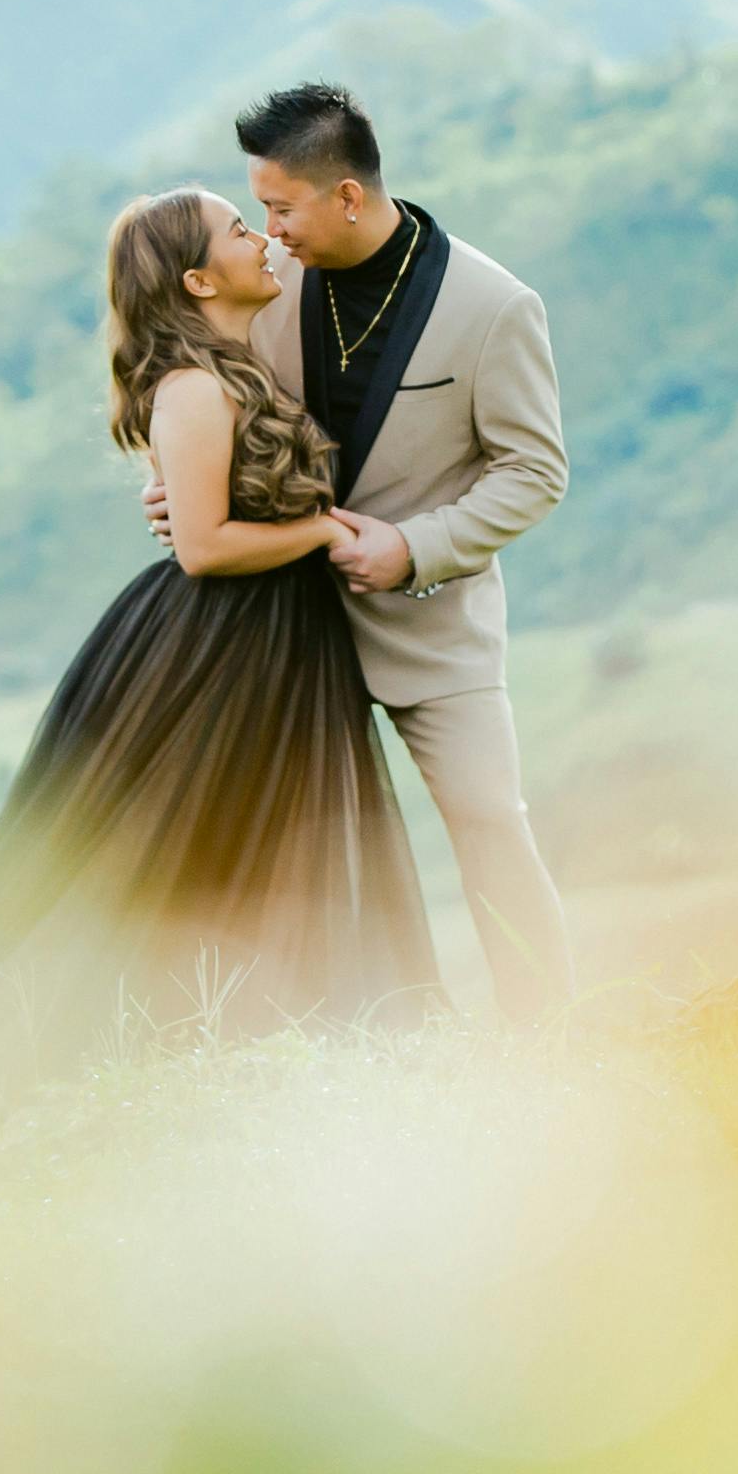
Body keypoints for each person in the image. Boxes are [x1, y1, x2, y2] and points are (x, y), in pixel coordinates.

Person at [0, 183, 439, 1046]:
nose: (260, 239)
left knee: (264, 849)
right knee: (184, 847)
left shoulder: (237, 367)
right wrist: (321, 529)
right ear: (200, 281)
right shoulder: (194, 388)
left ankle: (265, 1041)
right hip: (223, 642)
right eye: (237, 230)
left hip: (281, 636)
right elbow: (203, 547)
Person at [161, 80, 577, 1015]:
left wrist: (414, 548)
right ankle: (299, 1048)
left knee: (490, 823)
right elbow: (213, 398)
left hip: (435, 627)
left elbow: (534, 472)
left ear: (347, 195)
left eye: (281, 208)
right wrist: (183, 492)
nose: (269, 231)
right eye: (259, 211)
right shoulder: (265, 282)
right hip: (277, 622)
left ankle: (550, 1035)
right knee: (277, 857)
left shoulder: (495, 305)